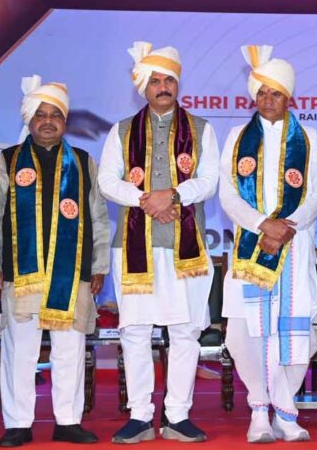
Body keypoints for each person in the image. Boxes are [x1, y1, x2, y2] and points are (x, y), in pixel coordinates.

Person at [98, 41, 219, 443]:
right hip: (134, 247)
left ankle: (177, 416)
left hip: (187, 246)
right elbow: (107, 180)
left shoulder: (201, 129)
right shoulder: (121, 131)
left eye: (169, 79)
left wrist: (175, 195)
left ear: (177, 84)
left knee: (185, 331)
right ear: (143, 88)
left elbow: (209, 180)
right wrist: (146, 200)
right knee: (135, 331)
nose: (163, 87)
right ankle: (139, 415)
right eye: (155, 81)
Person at [0, 75, 110, 447]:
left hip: (71, 275)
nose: (47, 121)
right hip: (21, 273)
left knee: (69, 351)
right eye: (40, 114)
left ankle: (68, 421)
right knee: (20, 351)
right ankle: (18, 424)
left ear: (65, 121)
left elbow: (99, 217)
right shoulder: (8, 160)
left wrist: (99, 266)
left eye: (55, 115)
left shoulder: (83, 162)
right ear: (29, 119)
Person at [219, 45, 317, 443]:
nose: (266, 99)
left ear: (288, 97)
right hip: (252, 247)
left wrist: (287, 227)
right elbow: (228, 195)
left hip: (294, 247)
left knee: (295, 333)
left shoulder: (309, 138)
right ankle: (259, 409)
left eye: (274, 93)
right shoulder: (236, 138)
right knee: (246, 333)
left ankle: (286, 410)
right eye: (261, 92)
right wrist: (263, 225)